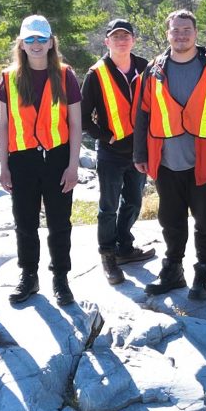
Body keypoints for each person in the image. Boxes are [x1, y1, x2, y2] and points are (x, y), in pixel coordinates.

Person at [134, 10, 206, 300]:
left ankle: (203, 273)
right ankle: (173, 270)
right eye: (175, 30)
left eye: (186, 29)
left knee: (205, 220)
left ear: (196, 32)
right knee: (171, 219)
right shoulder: (154, 69)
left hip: (205, 159)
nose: (181, 35)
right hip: (166, 160)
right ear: (168, 34)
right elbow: (143, 112)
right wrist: (140, 152)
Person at [0, 15, 83, 306]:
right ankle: (29, 276)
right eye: (29, 39)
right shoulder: (9, 77)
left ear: (50, 42)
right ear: (21, 43)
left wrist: (73, 166)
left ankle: (61, 278)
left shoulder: (64, 74)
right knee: (25, 222)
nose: (35, 44)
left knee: (60, 223)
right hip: (22, 159)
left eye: (41, 39)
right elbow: (4, 125)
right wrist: (3, 166)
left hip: (57, 158)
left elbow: (74, 124)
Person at [81, 18, 155, 285]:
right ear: (107, 41)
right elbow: (82, 116)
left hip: (138, 150)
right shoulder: (96, 73)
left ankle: (125, 245)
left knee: (134, 202)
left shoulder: (145, 67)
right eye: (116, 36)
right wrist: (106, 136)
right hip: (111, 153)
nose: (122, 40)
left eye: (126, 36)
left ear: (133, 40)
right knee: (108, 207)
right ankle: (108, 255)